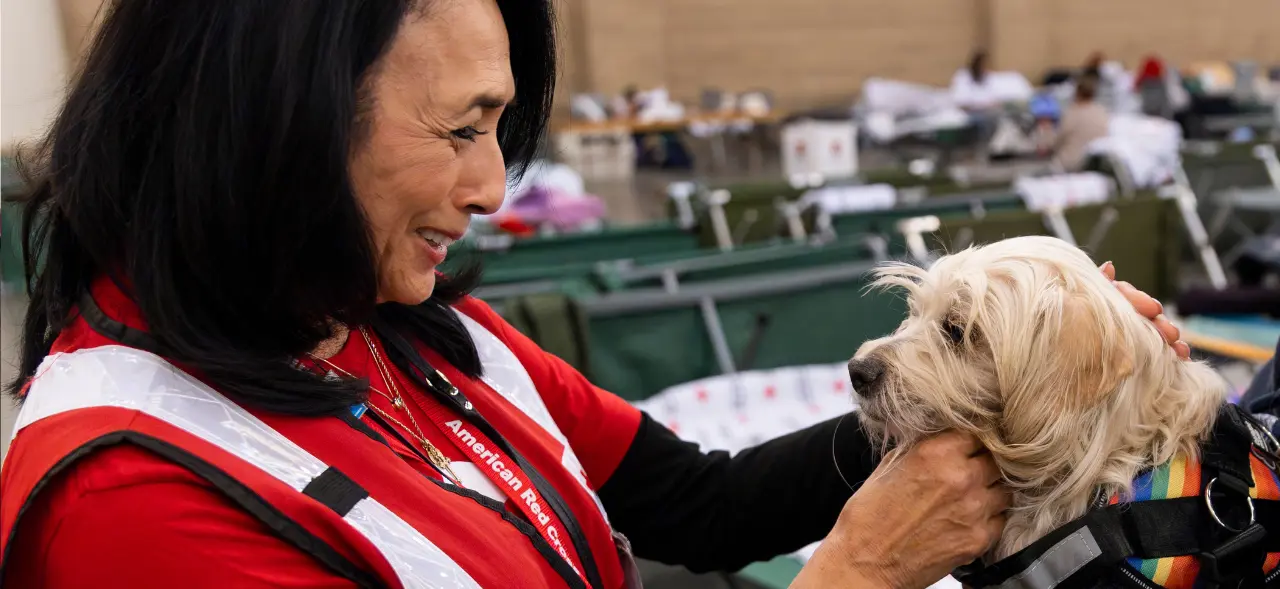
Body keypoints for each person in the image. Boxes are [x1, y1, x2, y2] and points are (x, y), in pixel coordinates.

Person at [0, 2, 1186, 588]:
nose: (490, 185)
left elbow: (700, 504)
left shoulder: (411, 335)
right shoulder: (140, 500)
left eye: (503, 130)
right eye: (461, 129)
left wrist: (993, 387)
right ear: (271, 127)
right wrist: (853, 576)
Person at [1052, 73, 1111, 172]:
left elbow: (1058, 141)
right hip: (1094, 163)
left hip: (1070, 164)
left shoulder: (1072, 113)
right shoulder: (1102, 113)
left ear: (1077, 92)